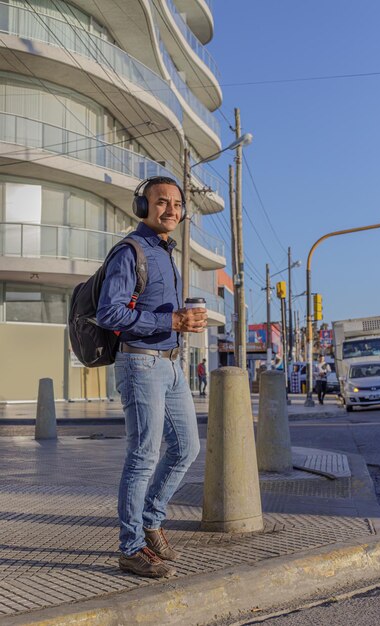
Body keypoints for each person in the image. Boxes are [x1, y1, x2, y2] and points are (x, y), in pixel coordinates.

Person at [96, 176, 207, 579]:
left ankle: (151, 520)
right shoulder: (131, 250)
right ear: (143, 206)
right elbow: (109, 314)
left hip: (171, 364)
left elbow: (165, 314)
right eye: (162, 202)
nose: (172, 210)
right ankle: (130, 548)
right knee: (143, 456)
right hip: (140, 363)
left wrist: (182, 323)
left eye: (178, 204)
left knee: (186, 449)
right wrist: (170, 319)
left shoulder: (167, 252)